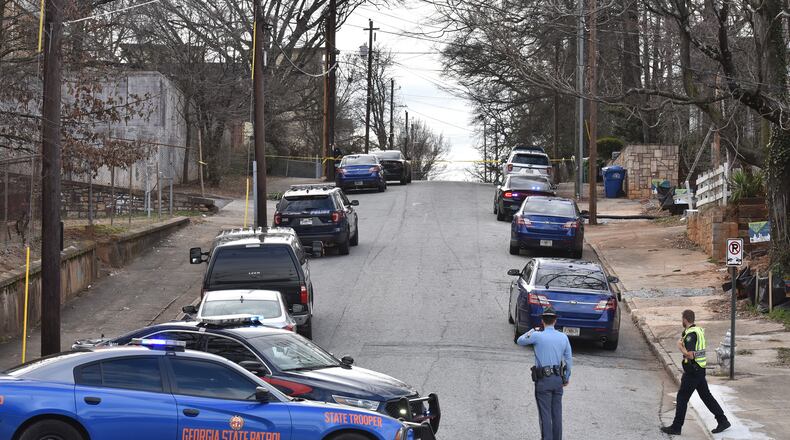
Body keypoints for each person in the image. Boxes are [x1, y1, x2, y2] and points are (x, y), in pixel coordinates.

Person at [661, 309, 731, 435]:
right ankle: (722, 420)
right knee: (706, 396)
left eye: (682, 319)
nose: (682, 321)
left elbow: (691, 355)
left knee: (682, 397)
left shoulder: (690, 335)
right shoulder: (698, 330)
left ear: (685, 319)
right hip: (700, 369)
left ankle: (676, 427)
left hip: (692, 371)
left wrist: (680, 347)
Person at [517, 306, 572, 440]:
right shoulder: (563, 337)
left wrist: (531, 330)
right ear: (555, 321)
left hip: (543, 381)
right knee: (557, 414)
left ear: (542, 321)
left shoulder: (537, 336)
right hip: (557, 379)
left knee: (545, 415)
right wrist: (566, 377)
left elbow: (520, 341)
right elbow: (568, 360)